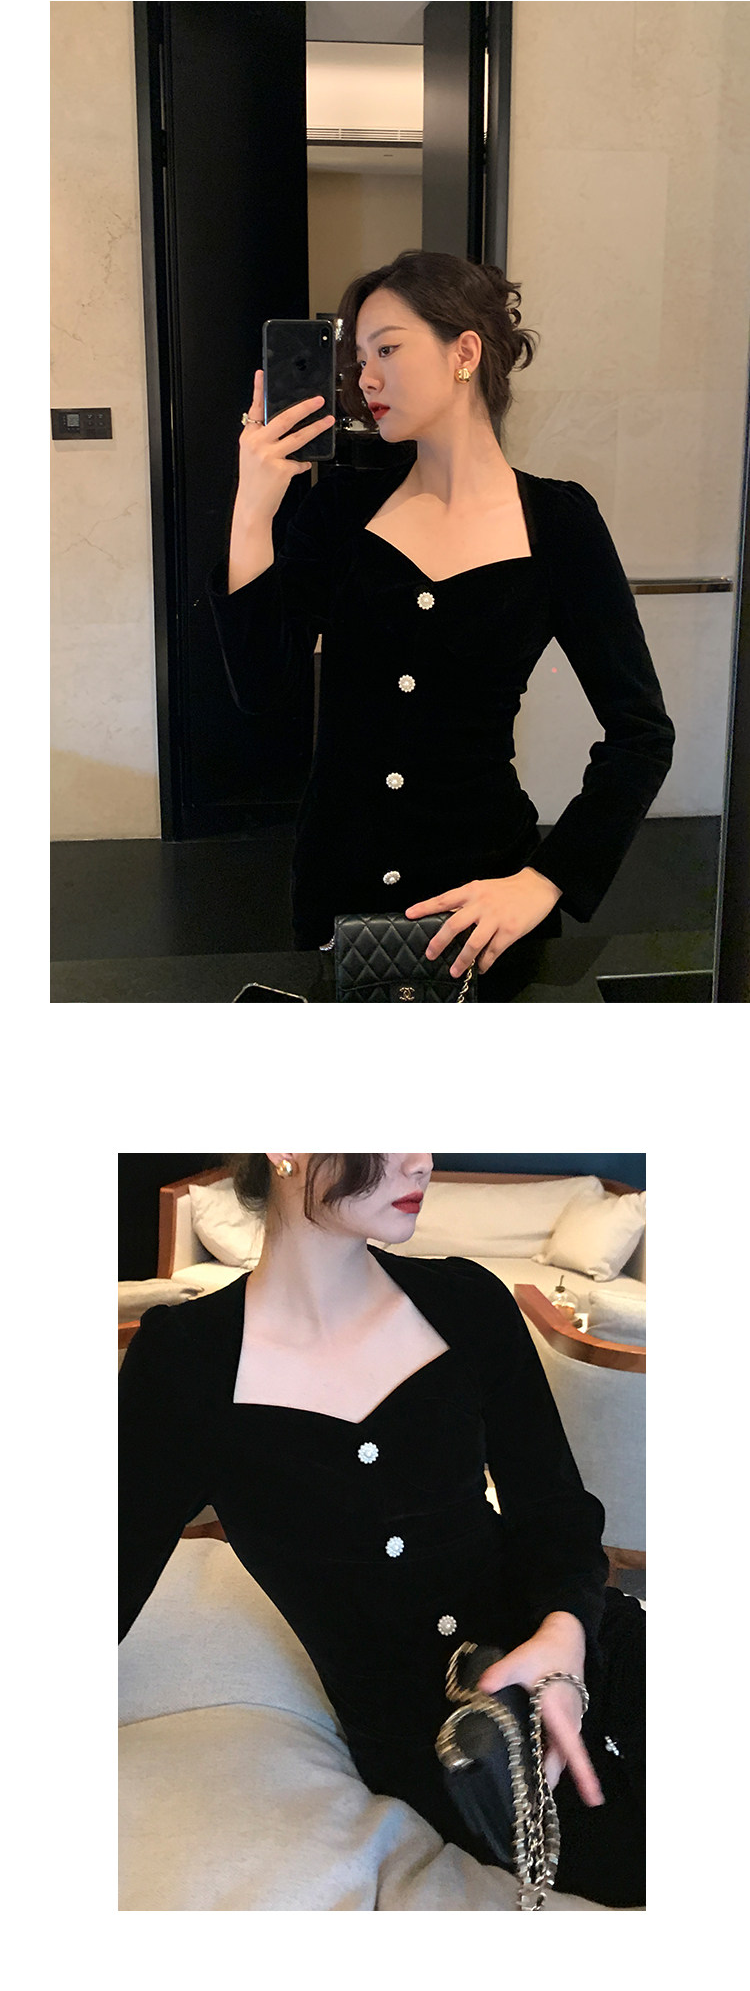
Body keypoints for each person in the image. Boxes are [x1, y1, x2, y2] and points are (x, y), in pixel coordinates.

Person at [119, 1152, 646, 1907]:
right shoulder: (186, 1364)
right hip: (468, 1756)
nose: (421, 1160)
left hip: (592, 1650)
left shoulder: (467, 1302)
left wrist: (565, 1636)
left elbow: (554, 1512)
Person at [210, 249, 675, 994]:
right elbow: (264, 690)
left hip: (486, 900)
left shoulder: (559, 524)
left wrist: (546, 881)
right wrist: (252, 509)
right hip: (339, 886)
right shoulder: (340, 509)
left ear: (464, 352)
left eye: (387, 350)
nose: (365, 379)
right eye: (360, 358)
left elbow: (642, 735)